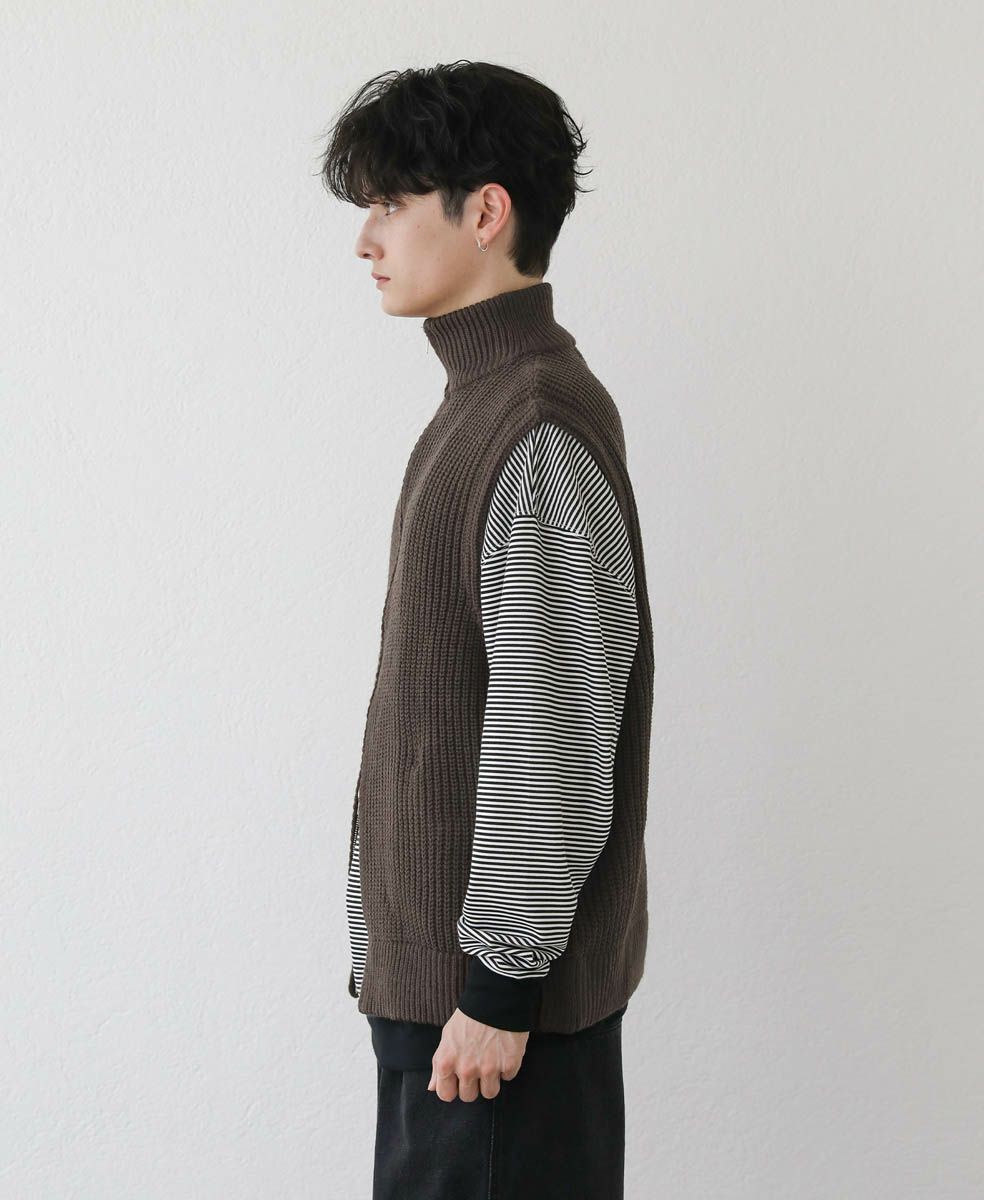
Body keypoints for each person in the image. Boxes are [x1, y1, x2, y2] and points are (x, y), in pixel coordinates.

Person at [318, 60, 655, 1199]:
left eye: (390, 203)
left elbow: (554, 724)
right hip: (457, 1007)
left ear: (486, 211)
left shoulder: (534, 424)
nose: (365, 240)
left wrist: (498, 989)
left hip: (493, 1026)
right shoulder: (483, 403)